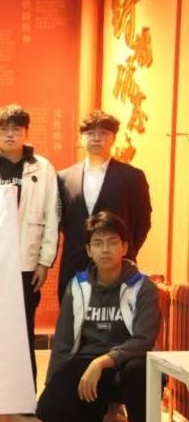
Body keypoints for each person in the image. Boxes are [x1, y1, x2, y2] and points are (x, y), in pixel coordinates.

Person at [0, 104, 59, 389]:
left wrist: (44, 261)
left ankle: (25, 393)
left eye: (16, 129)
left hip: (25, 264)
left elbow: (52, 215)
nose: (9, 134)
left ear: (25, 132)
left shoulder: (42, 167)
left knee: (23, 329)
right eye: (3, 129)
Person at [36, 212, 159, 422]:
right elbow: (63, 343)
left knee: (139, 372)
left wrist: (102, 362)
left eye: (112, 242)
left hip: (128, 364)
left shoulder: (142, 286)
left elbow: (144, 339)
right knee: (49, 408)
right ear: (88, 250)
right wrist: (53, 386)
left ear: (124, 247)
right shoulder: (78, 286)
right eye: (98, 243)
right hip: (87, 365)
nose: (105, 249)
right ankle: (104, 416)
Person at [57, 110, 151, 302]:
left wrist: (124, 251)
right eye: (90, 133)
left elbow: (142, 221)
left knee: (115, 316)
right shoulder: (64, 178)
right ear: (81, 138)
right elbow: (62, 221)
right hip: (75, 264)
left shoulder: (132, 177)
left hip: (117, 266)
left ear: (113, 138)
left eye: (104, 133)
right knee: (73, 315)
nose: (96, 138)